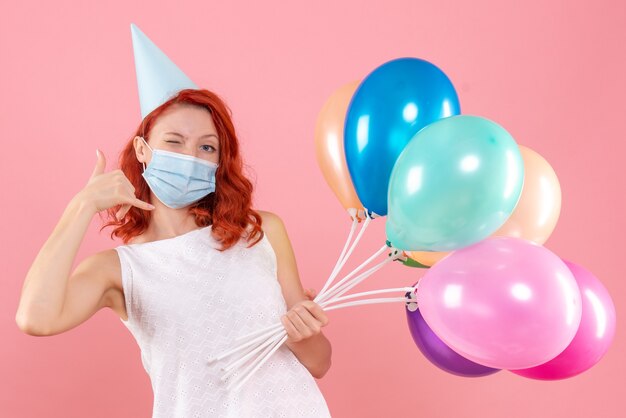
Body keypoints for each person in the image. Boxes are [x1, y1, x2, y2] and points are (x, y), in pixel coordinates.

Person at [15, 87, 333, 417]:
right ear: (142, 149)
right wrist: (81, 206)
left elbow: (319, 361)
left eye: (206, 147)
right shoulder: (119, 270)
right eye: (174, 141)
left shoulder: (260, 232)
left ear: (219, 161)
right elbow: (35, 318)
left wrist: (302, 334)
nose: (190, 157)